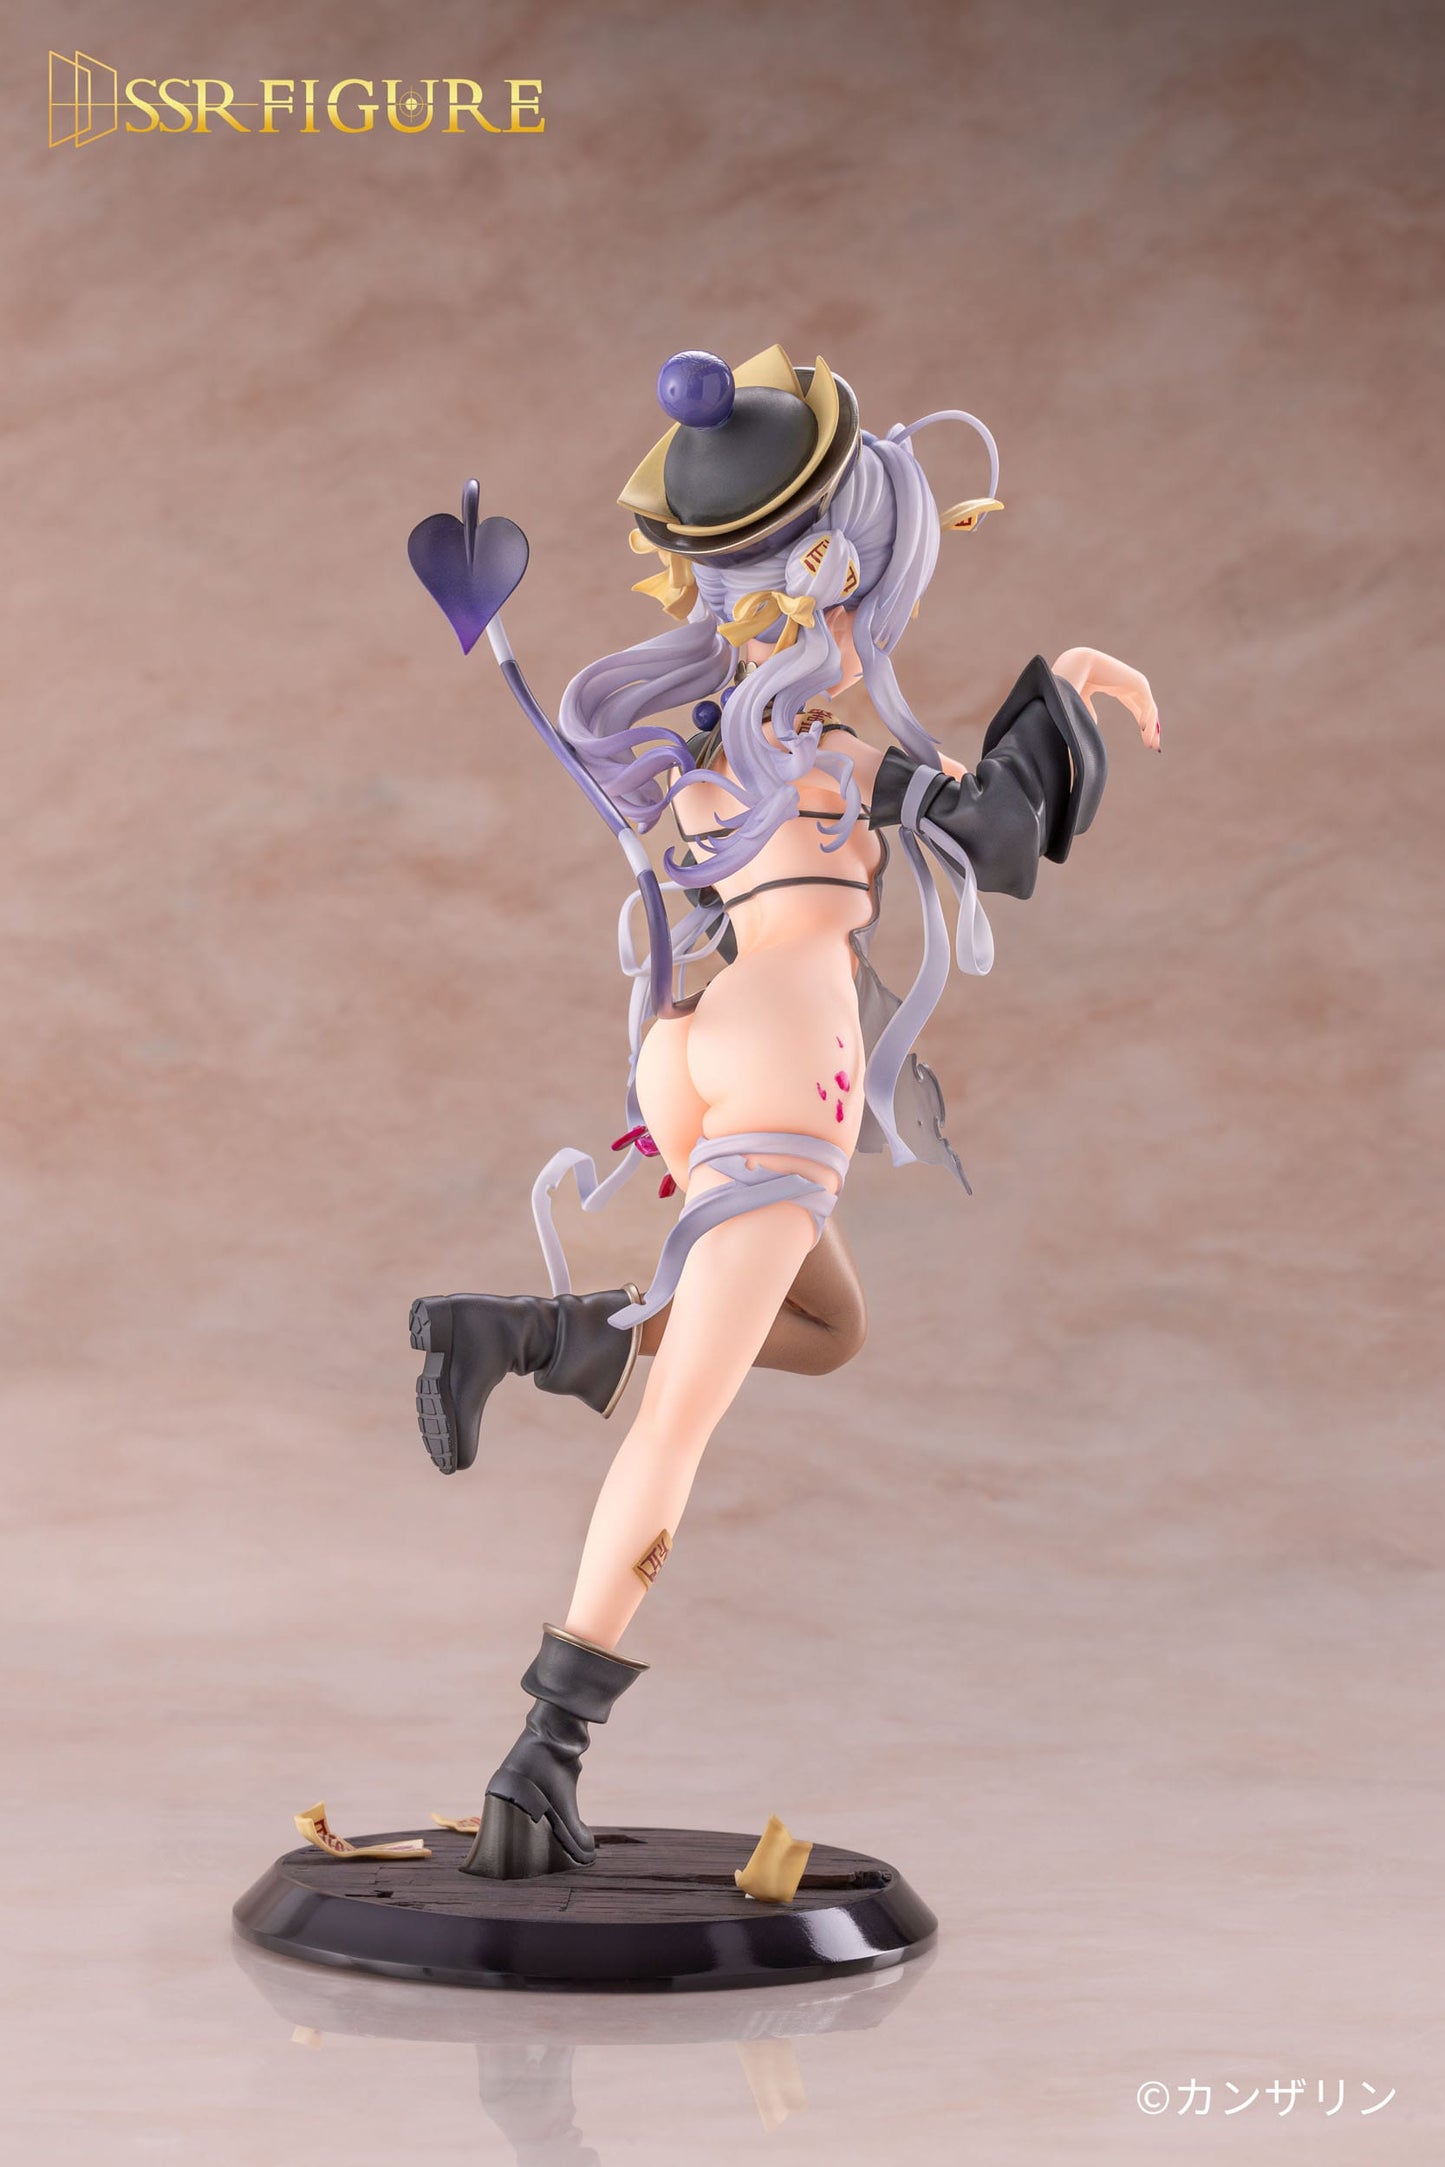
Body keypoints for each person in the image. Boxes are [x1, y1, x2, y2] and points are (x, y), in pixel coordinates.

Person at [408, 346, 1158, 1879]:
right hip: (782, 1058)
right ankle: (541, 1756)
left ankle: (535, 1336)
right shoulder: (831, 755)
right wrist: (1072, 679)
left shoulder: (682, 740)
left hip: (689, 1049)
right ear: (847, 571)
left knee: (827, 1327)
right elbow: (998, 832)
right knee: (678, 1429)